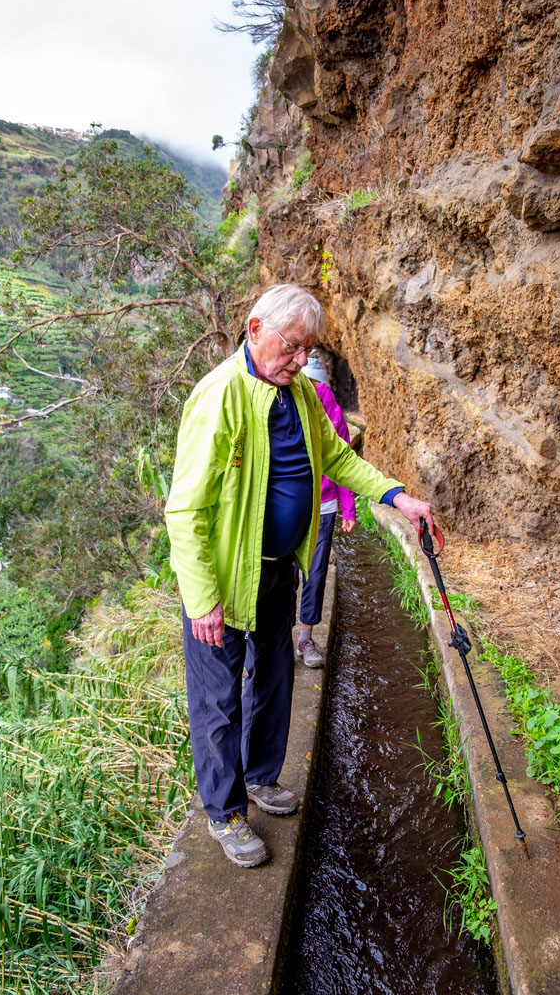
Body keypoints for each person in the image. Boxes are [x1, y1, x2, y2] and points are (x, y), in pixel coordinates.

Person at [165, 283, 436, 868]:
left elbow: (335, 456)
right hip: (223, 581)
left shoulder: (303, 395)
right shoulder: (219, 397)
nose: (300, 359)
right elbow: (184, 510)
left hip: (275, 573)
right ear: (255, 328)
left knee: (273, 678)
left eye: (308, 349)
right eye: (292, 347)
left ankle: (262, 778)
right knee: (218, 701)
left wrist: (394, 494)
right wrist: (202, 600)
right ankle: (225, 813)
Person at [296, 350, 355, 667]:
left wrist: (349, 509)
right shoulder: (282, 400)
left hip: (325, 505)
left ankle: (305, 638)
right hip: (292, 504)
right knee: (286, 574)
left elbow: (342, 459)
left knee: (315, 573)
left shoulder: (327, 403)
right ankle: (276, 639)